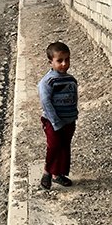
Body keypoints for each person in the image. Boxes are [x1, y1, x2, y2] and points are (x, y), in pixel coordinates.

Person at [38, 41, 78, 189]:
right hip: (52, 121)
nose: (64, 64)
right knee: (54, 146)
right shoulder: (47, 81)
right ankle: (47, 172)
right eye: (59, 61)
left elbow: (73, 98)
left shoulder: (71, 79)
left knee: (64, 147)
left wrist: (74, 115)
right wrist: (55, 122)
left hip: (69, 121)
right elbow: (46, 103)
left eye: (67, 59)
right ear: (51, 62)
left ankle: (58, 174)